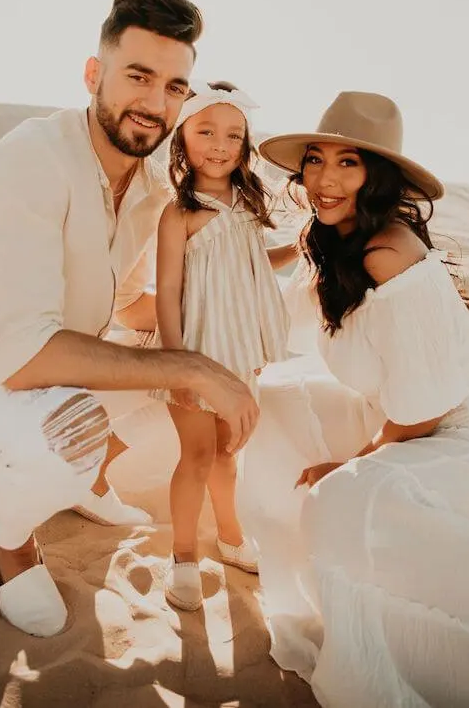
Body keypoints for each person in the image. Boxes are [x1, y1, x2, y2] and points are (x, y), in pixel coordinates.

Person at [0, 0, 259, 639]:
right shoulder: (32, 160)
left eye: (173, 86)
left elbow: (132, 303)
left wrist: (209, 347)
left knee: (181, 363)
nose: (155, 101)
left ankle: (87, 477)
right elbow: (22, 355)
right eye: (138, 76)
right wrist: (188, 366)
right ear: (93, 75)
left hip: (60, 375)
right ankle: (14, 540)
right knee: (99, 406)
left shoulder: (152, 185)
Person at [242, 91, 469, 707]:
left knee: (345, 496)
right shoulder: (333, 246)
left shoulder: (388, 251)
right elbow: (271, 327)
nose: (324, 177)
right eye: (315, 160)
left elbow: (423, 410)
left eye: (349, 163)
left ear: (379, 176)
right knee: (275, 400)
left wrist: (352, 461)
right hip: (416, 423)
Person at [153, 80, 296, 610]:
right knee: (194, 457)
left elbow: (254, 263)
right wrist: (175, 366)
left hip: (238, 353)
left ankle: (231, 538)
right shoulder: (180, 212)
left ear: (245, 144)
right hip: (194, 353)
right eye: (206, 131)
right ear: (182, 139)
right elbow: (167, 290)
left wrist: (297, 251)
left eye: (233, 135)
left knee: (227, 455)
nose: (219, 144)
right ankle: (184, 557)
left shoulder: (245, 202)